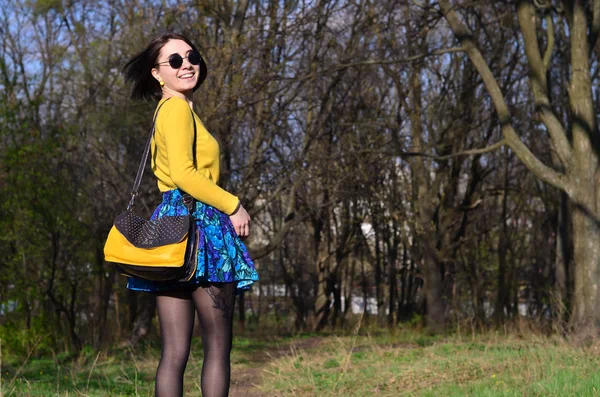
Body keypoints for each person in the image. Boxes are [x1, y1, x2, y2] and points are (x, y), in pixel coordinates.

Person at [122, 32, 259, 397]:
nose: (188, 65)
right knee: (216, 347)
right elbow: (184, 174)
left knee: (174, 352)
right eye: (175, 61)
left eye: (192, 56)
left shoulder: (166, 111)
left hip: (170, 229)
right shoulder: (178, 109)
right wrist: (234, 205)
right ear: (157, 73)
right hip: (204, 228)